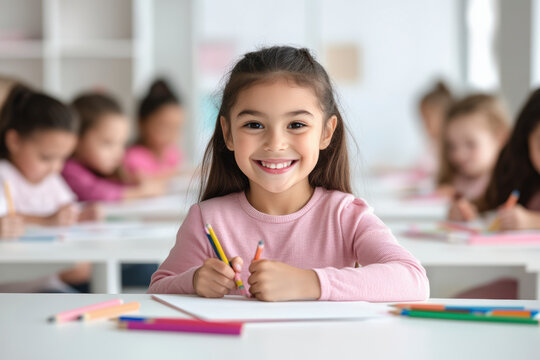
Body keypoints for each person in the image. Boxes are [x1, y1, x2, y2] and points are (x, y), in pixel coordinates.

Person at [148, 46, 429, 302]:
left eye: (296, 124)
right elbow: (158, 289)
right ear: (228, 133)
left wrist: (309, 283)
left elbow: (413, 280)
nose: (275, 143)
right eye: (254, 125)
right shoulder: (207, 220)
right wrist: (194, 281)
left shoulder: (345, 215)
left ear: (326, 132)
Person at [0, 84, 99, 292]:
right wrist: (47, 222)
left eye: (63, 158)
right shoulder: (4, 174)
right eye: (46, 157)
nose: (56, 167)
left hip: (49, 281)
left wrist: (80, 216)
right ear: (14, 140)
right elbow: (6, 221)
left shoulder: (50, 178)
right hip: (17, 288)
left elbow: (65, 212)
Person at [449, 88, 540, 229]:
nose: (459, 155)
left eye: (470, 144)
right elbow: (491, 205)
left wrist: (534, 222)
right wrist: (468, 211)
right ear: (526, 141)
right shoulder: (524, 182)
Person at [62, 92, 165, 202]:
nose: (118, 153)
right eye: (108, 143)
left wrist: (136, 181)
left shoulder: (106, 172)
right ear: (77, 138)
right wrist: (140, 192)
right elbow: (95, 193)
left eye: (122, 144)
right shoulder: (69, 169)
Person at [437, 94, 509, 200]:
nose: (459, 155)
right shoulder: (456, 180)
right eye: (452, 146)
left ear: (500, 137)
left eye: (470, 144)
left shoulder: (508, 183)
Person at [123, 79, 185, 182]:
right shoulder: (130, 157)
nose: (172, 135)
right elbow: (145, 180)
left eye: (177, 128)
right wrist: (182, 173)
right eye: (165, 127)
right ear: (142, 122)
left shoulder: (173, 154)